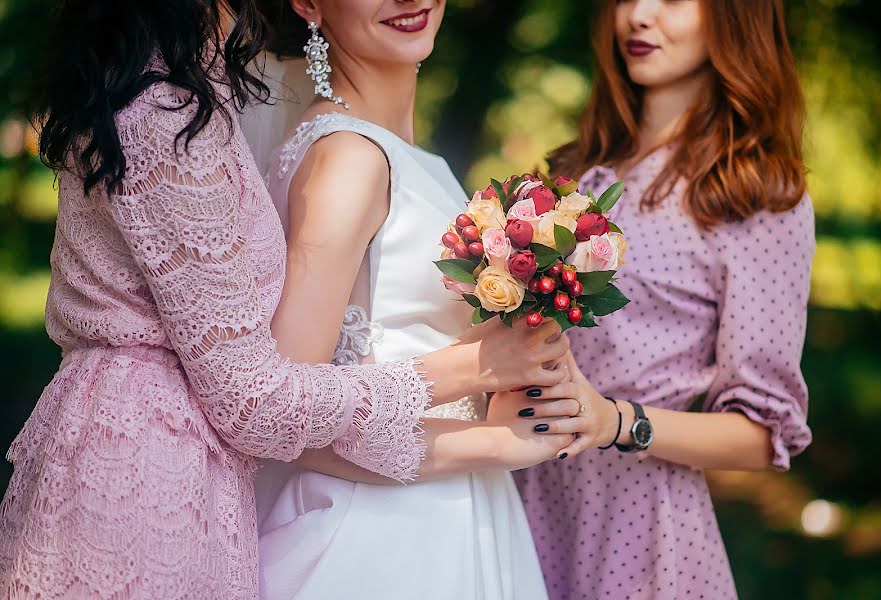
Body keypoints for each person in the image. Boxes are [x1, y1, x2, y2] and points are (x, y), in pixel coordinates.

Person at [0, 2, 571, 598]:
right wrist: (476, 381)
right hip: (146, 459)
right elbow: (255, 401)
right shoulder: (167, 114)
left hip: (203, 460)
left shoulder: (196, 94)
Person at [250, 1, 583, 598]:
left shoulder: (394, 152)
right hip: (379, 540)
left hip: (451, 514)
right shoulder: (349, 158)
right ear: (306, 4)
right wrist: (492, 434)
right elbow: (287, 417)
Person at [515, 0, 815, 597]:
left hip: (640, 523)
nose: (639, 15)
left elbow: (762, 433)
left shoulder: (755, 193)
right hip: (522, 492)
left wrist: (617, 421)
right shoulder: (580, 172)